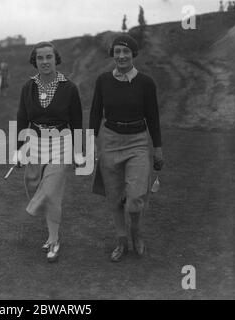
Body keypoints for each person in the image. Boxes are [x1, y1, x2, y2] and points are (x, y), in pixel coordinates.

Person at [89, 35, 163, 262]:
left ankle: (136, 232)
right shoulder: (103, 80)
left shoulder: (146, 83)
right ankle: (121, 241)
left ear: (133, 54)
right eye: (117, 52)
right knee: (114, 197)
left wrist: (158, 148)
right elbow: (95, 112)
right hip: (110, 141)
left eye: (126, 52)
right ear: (113, 55)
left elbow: (153, 116)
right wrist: (91, 142)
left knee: (135, 197)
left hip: (138, 142)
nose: (121, 56)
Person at [13, 41, 84, 262]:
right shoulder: (28, 87)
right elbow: (23, 118)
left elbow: (77, 122)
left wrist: (79, 151)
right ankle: (42, 214)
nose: (45, 62)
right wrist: (18, 150)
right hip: (35, 143)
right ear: (35, 61)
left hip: (62, 142)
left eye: (49, 57)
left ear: (56, 59)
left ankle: (53, 240)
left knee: (51, 191)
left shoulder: (69, 87)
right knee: (33, 184)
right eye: (40, 58)